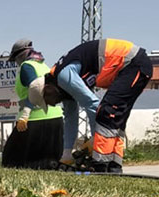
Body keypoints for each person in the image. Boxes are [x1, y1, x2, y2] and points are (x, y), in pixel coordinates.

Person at [28, 38, 152, 173]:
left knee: (107, 112)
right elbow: (70, 120)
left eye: (47, 101)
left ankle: (101, 165)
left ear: (47, 88)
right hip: (128, 67)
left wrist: (95, 140)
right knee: (114, 118)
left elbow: (93, 105)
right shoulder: (62, 89)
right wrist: (67, 154)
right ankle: (114, 166)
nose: (51, 104)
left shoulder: (63, 76)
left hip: (131, 63)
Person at [1, 39, 64, 169]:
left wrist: (25, 115)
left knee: (11, 160)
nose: (16, 63)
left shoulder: (27, 66)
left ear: (20, 56)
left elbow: (35, 89)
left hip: (35, 119)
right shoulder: (44, 66)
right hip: (56, 117)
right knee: (48, 162)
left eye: (15, 60)